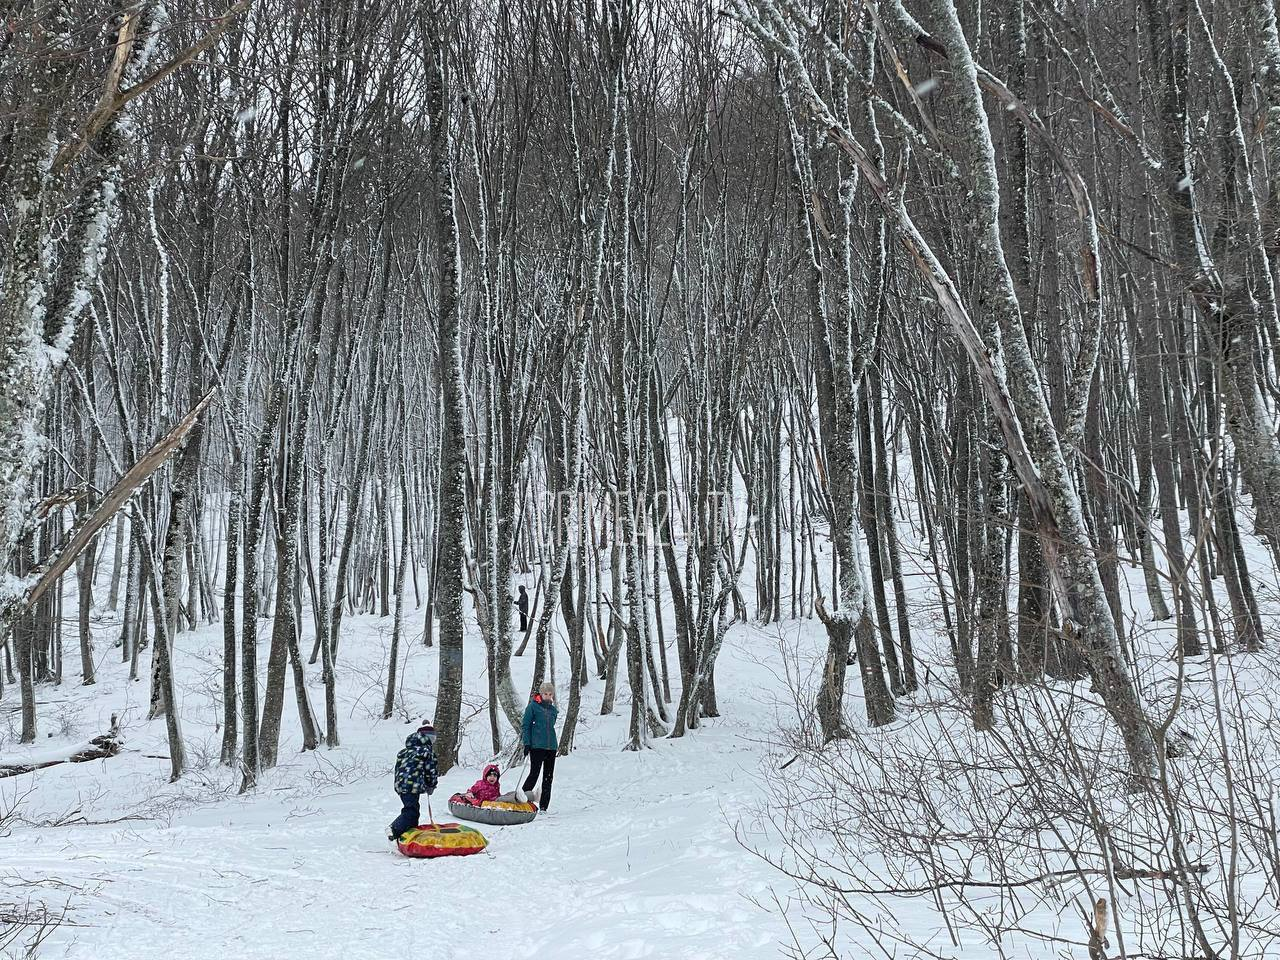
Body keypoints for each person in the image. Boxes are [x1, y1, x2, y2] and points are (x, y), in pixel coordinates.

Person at [388, 721, 439, 840]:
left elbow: (398, 769)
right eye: (431, 739)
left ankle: (409, 834)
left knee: (412, 809)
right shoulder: (427, 752)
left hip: (401, 785)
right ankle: (394, 829)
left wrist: (399, 784)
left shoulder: (404, 751)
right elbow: (431, 770)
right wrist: (431, 785)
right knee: (411, 811)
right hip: (412, 786)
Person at [520, 681, 558, 812]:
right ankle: (521, 800)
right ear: (540, 694)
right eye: (545, 694)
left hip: (551, 746)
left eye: (550, 694)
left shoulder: (553, 710)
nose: (548, 696)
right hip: (537, 746)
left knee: (548, 777)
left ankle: (543, 807)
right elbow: (526, 726)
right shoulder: (533, 707)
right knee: (534, 774)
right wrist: (527, 743)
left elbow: (551, 726)